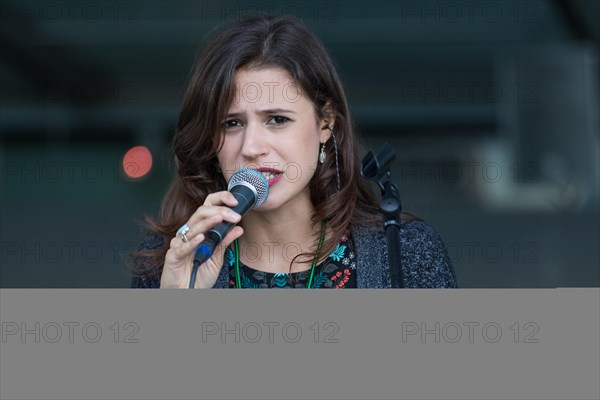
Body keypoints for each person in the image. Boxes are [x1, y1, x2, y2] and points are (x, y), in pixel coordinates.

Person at [130, 15, 457, 289]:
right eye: (232, 123)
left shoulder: (403, 249)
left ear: (325, 123)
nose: (252, 147)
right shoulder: (170, 261)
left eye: (277, 119)